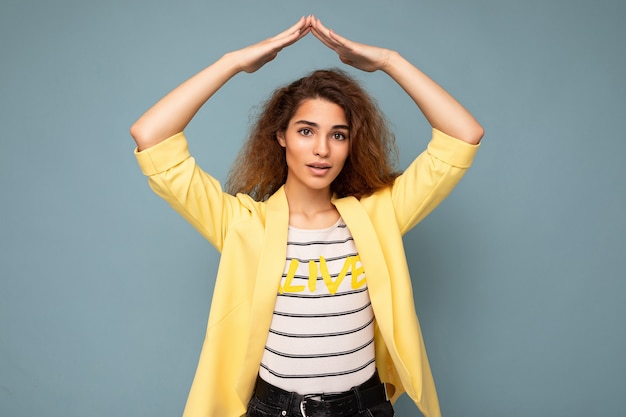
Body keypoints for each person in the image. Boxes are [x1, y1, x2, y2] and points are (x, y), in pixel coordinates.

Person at [131, 16, 483, 417]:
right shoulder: (244, 225)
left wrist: (389, 60)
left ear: (351, 144)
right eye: (305, 131)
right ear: (280, 136)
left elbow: (462, 136)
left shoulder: (379, 214)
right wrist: (231, 63)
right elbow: (151, 137)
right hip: (274, 409)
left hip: (364, 409)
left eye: (338, 134)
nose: (322, 149)